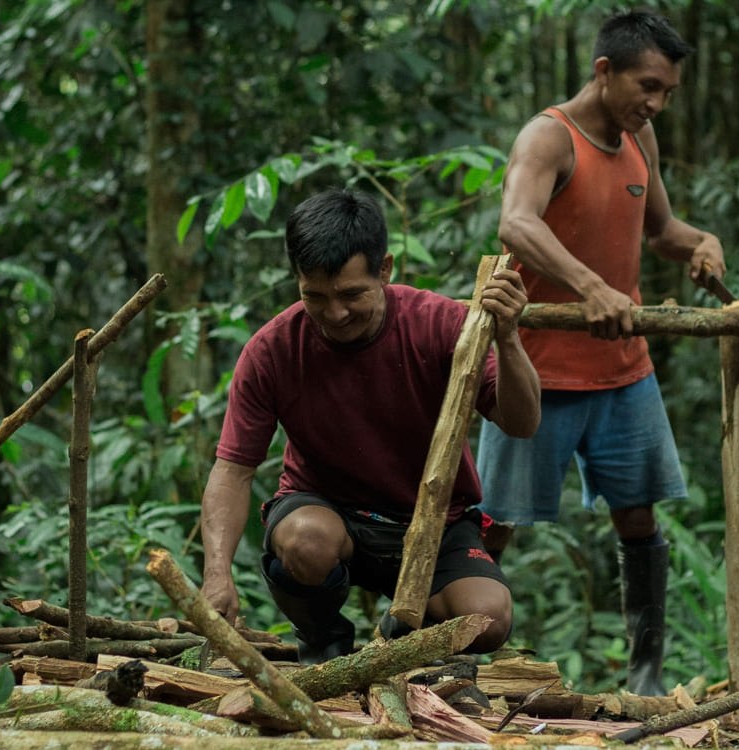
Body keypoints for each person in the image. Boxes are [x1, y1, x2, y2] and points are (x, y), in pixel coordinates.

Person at [476, 10, 726, 696]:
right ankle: (453, 661)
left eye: (668, 91)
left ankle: (645, 677)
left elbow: (663, 230)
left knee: (639, 514)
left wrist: (701, 244)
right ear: (604, 70)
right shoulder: (549, 137)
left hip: (623, 372)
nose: (657, 102)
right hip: (538, 370)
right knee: (494, 521)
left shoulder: (639, 137)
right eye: (648, 85)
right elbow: (515, 222)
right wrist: (589, 285)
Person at [200, 188, 541, 665]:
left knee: (486, 619)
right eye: (314, 296)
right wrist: (217, 573)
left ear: (385, 269)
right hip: (328, 511)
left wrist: (508, 339)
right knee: (304, 542)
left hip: (434, 522)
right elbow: (232, 470)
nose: (334, 314)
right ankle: (323, 644)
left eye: (351, 294)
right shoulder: (272, 350)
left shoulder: (441, 324)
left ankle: (399, 640)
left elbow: (522, 423)